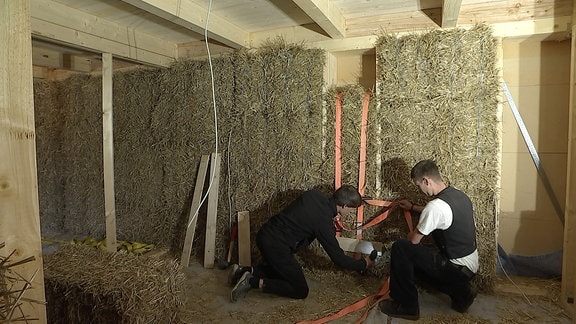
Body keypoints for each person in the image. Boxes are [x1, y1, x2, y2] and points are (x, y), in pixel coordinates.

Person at [228, 185, 374, 302]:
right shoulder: (323, 223)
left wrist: (329, 218)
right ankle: (251, 282)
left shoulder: (314, 195)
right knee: (300, 290)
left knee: (286, 270)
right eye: (351, 209)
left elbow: (305, 216)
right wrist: (363, 264)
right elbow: (339, 259)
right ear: (344, 205)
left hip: (265, 234)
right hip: (277, 246)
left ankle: (242, 270)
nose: (350, 212)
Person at [379, 159, 478, 320]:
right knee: (421, 261)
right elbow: (439, 214)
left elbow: (413, 242)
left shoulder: (436, 207)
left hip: (456, 269)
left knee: (401, 248)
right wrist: (412, 207)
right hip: (469, 267)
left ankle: (407, 306)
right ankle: (462, 292)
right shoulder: (459, 196)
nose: (419, 190)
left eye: (419, 186)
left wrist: (404, 235)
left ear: (426, 180)